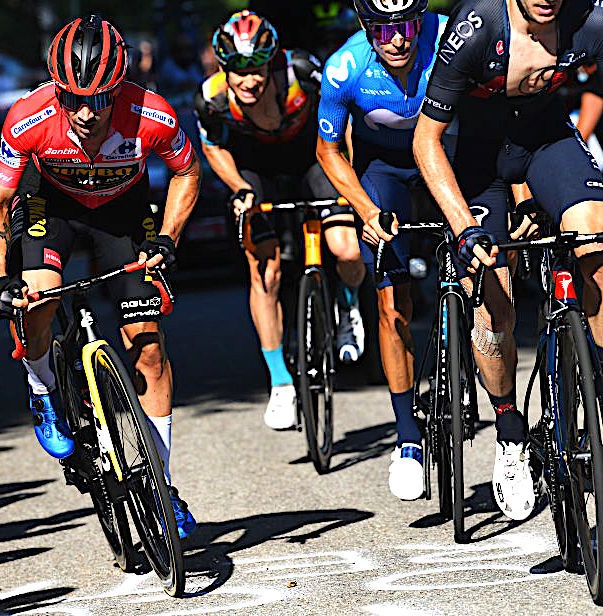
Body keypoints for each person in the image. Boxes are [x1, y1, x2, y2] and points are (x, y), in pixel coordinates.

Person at [0, 15, 201, 538]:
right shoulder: (28, 118)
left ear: (119, 87)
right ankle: (41, 386)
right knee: (42, 296)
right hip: (48, 204)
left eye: (99, 99)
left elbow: (188, 172)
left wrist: (165, 237)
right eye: (72, 98)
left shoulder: (154, 114)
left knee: (148, 345)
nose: (84, 112)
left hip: (122, 210)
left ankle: (163, 489)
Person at [413, 0, 603, 520]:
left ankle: (599, 384)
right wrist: (465, 226)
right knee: (493, 295)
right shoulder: (477, 27)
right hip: (479, 157)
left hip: (547, 142)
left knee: (595, 240)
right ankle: (510, 431)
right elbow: (426, 140)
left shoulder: (592, 19)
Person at [195, 10, 366, 430]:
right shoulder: (212, 98)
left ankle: (348, 308)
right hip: (257, 169)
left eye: (257, 70)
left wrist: (348, 174)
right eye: (238, 71)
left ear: (272, 63)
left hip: (312, 157)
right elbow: (214, 150)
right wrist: (239, 188)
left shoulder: (303, 74)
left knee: (346, 247)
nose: (249, 81)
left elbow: (344, 121)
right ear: (224, 68)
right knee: (265, 273)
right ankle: (281, 383)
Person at [316, 0, 450, 500]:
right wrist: (366, 212)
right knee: (394, 302)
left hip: (447, 156)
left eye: (408, 25)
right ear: (367, 29)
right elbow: (327, 149)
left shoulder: (450, 40)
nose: (398, 39)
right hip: (384, 172)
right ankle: (408, 436)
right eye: (384, 29)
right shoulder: (345, 67)